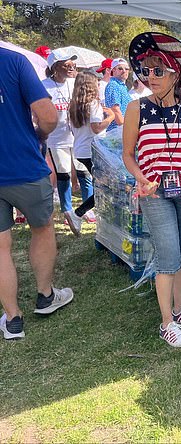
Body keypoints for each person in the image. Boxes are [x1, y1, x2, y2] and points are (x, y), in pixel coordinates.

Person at [123, 32, 181, 348]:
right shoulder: (137, 108)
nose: (150, 77)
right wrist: (140, 178)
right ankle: (166, 324)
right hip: (154, 192)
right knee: (168, 255)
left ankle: (179, 309)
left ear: (176, 75)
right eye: (146, 70)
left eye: (158, 71)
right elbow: (128, 155)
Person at [0, 47, 74, 340]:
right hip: (24, 166)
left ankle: (12, 317)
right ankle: (45, 295)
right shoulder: (13, 61)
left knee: (1, 247)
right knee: (42, 229)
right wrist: (39, 136)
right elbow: (48, 117)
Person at [41, 48, 94, 224]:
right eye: (67, 65)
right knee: (63, 174)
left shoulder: (76, 83)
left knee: (84, 172)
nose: (72, 68)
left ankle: (88, 209)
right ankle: (67, 210)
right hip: (57, 139)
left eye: (73, 64)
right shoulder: (44, 86)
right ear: (56, 67)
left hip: (79, 137)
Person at [65, 72, 116, 235]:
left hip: (81, 149)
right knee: (105, 187)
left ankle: (84, 214)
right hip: (94, 150)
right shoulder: (93, 103)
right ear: (91, 85)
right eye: (96, 82)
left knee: (101, 185)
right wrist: (111, 117)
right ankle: (77, 214)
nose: (99, 85)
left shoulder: (74, 104)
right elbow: (96, 128)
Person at [104, 57, 132, 130]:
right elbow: (115, 109)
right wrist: (125, 128)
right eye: (120, 68)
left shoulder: (121, 86)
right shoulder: (113, 85)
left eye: (126, 69)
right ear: (113, 70)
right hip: (117, 130)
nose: (124, 71)